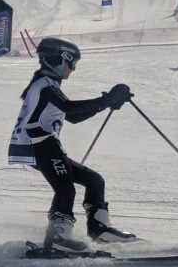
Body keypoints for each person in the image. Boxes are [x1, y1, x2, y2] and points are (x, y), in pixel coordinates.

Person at [9, 37, 136, 252]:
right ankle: (58, 239)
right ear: (59, 60)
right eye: (72, 63)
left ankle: (100, 231)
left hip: (45, 145)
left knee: (94, 181)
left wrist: (106, 104)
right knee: (65, 190)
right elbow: (69, 107)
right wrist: (105, 101)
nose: (73, 69)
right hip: (41, 145)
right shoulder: (45, 86)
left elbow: (72, 117)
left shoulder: (47, 85)